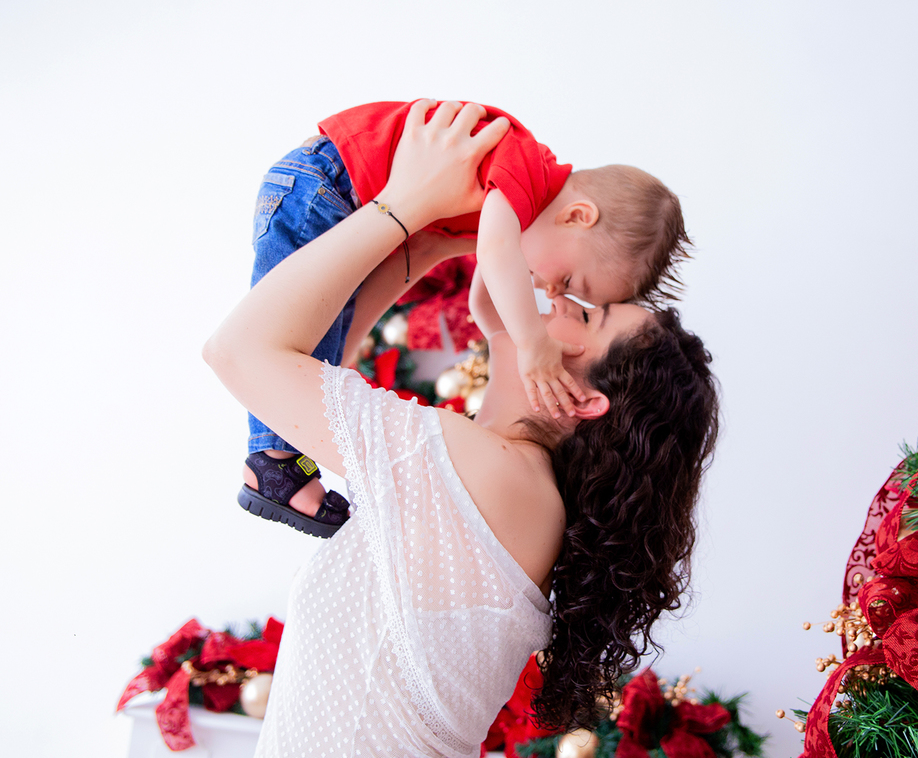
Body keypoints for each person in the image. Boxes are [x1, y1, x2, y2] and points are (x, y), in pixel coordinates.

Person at [204, 101, 719, 757]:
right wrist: (429, 241)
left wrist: (401, 206)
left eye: (586, 317)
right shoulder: (505, 488)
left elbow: (241, 351)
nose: (555, 298)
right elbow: (307, 362)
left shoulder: (494, 475)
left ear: (587, 401)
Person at [239, 99, 690, 538]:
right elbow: (495, 257)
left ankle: (273, 459)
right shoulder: (526, 170)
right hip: (323, 184)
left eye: (572, 294)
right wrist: (534, 343)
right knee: (290, 325)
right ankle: (272, 459)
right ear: (577, 216)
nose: (553, 294)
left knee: (316, 326)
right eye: (570, 280)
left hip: (328, 190)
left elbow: (486, 295)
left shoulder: (510, 208)